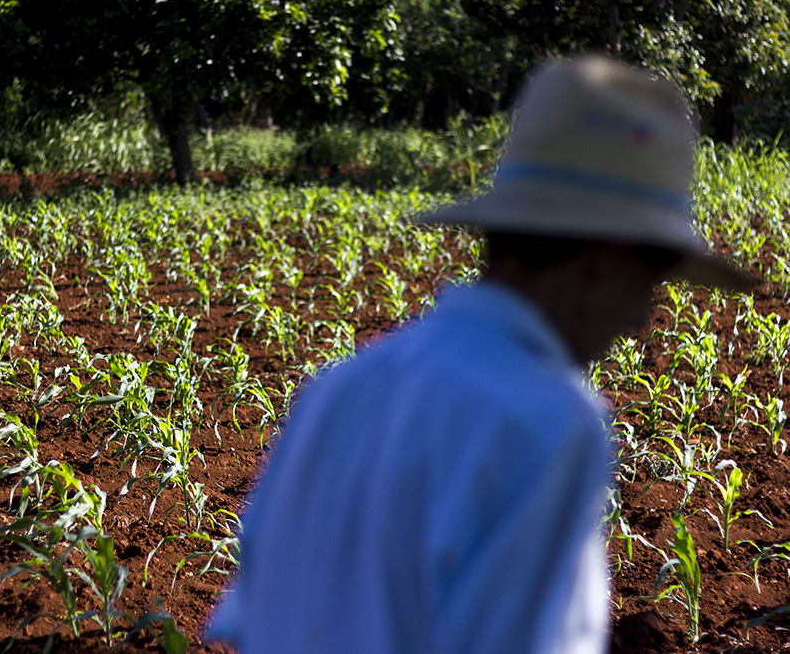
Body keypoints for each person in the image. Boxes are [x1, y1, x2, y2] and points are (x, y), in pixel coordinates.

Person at [206, 54, 751, 653]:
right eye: (649, 281)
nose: (642, 316)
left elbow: (255, 620)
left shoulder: (339, 388)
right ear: (604, 261)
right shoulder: (548, 420)